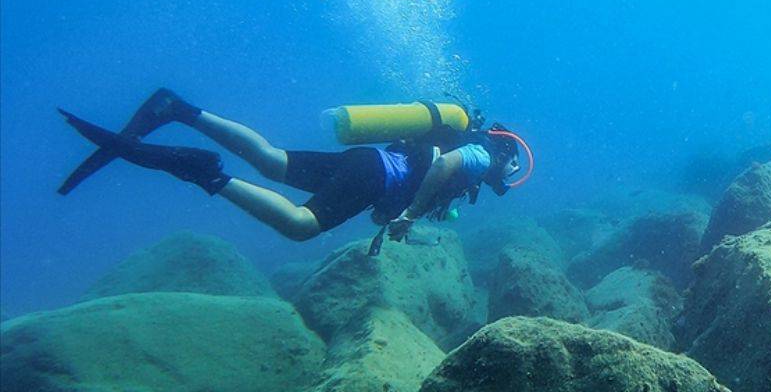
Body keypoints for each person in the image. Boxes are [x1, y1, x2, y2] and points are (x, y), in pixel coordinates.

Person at [58, 89, 525, 248]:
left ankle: (178, 110)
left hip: (369, 165)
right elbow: (445, 164)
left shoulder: (469, 159)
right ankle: (206, 173)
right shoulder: (481, 154)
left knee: (271, 160)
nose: (505, 180)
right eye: (512, 169)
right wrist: (409, 215)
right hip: (375, 175)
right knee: (301, 225)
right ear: (505, 154)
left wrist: (395, 216)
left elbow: (415, 183)